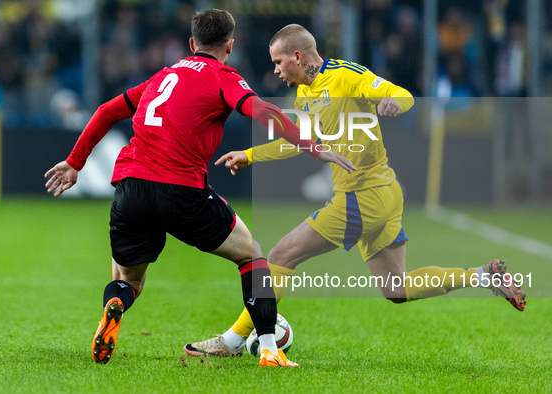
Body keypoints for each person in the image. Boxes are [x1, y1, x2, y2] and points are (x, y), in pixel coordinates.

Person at [184, 24, 526, 357]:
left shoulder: (347, 76)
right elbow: (302, 143)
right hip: (382, 195)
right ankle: (482, 275)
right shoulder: (305, 94)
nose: (275, 71)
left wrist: (395, 103)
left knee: (280, 255)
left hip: (364, 195)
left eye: (278, 62)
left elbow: (401, 94)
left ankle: (230, 342)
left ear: (298, 56)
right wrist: (251, 155)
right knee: (396, 288)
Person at [44, 11, 354, 367]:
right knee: (251, 255)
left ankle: (115, 305)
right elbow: (261, 110)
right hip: (180, 190)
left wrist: (75, 162)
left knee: (127, 279)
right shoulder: (223, 77)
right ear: (230, 46)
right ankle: (269, 348)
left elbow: (104, 111)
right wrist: (311, 146)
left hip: (130, 188)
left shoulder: (163, 76)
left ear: (192, 44)